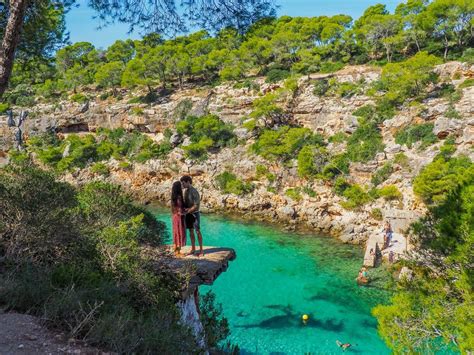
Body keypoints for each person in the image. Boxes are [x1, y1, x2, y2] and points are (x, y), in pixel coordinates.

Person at [180, 175, 204, 257]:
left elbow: (196, 205)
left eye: (183, 183)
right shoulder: (186, 191)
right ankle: (193, 249)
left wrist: (187, 212)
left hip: (195, 214)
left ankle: (201, 251)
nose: (182, 185)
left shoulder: (194, 191)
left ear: (188, 182)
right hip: (188, 214)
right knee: (190, 231)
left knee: (197, 231)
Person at [171, 181, 186, 256]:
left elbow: (175, 208)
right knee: (180, 232)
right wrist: (185, 212)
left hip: (174, 216)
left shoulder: (173, 197)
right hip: (179, 218)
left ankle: (175, 250)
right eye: (180, 186)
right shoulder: (179, 197)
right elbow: (180, 209)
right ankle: (178, 252)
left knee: (176, 233)